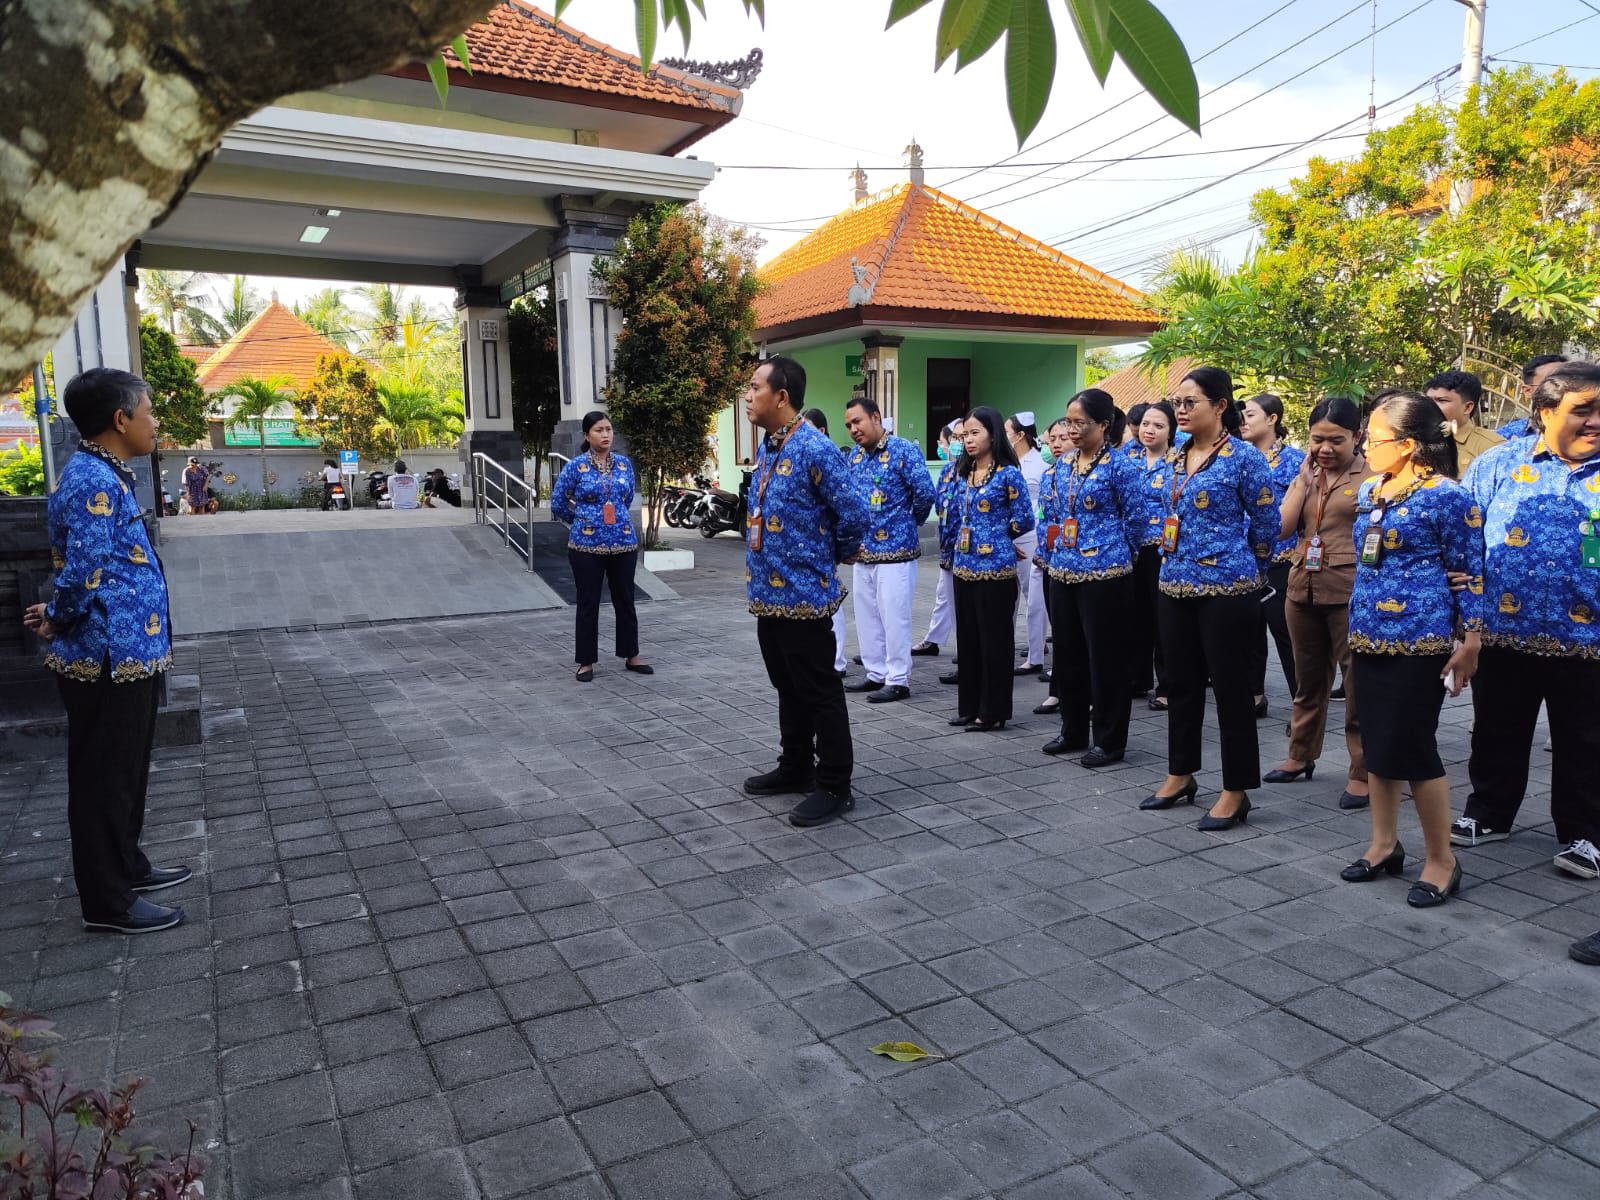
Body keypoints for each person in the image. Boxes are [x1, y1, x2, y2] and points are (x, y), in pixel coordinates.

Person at [23, 368, 190, 934]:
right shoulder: (93, 480)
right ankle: (108, 902)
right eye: (149, 412)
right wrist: (58, 613)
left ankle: (128, 867)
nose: (155, 422)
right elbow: (83, 570)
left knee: (128, 770)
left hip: (127, 652)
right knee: (105, 779)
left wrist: (59, 611)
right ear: (120, 420)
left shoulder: (104, 473)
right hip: (106, 657)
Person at [1455, 362, 1600, 883]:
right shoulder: (1499, 464)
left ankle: (1585, 834)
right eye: (1583, 410)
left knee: (1587, 741)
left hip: (1589, 642)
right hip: (1501, 634)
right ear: (1544, 412)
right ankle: (1489, 813)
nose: (1595, 421)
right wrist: (1465, 623)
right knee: (1496, 729)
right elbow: (1466, 543)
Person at [1341, 390, 1483, 906]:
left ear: (1406, 444)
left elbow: (1471, 573)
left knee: (1414, 748)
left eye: (1373, 438)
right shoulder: (1372, 489)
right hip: (1367, 634)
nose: (1365, 445)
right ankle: (1384, 844)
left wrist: (1471, 641)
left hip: (1420, 640)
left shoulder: (1448, 497)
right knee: (1378, 744)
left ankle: (1442, 860)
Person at [1143, 366, 1279, 830]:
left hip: (1228, 588)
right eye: (1177, 403)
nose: (1180, 410)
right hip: (1174, 583)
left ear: (1220, 406)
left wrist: (1253, 571)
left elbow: (1266, 524)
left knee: (1231, 690)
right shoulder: (1175, 457)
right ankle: (1180, 773)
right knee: (1179, 684)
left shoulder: (1244, 458)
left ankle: (1236, 790)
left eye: (1190, 402)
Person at [741, 357, 869, 827]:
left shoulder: (815, 447)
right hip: (767, 595)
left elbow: (855, 511)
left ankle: (834, 784)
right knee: (787, 686)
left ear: (781, 396)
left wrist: (836, 552)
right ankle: (795, 765)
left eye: (755, 387)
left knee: (819, 691)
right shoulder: (771, 445)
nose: (748, 395)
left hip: (805, 596)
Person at [1266, 396, 1370, 808]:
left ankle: (1361, 771)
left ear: (1357, 436)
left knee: (1357, 684)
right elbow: (1281, 528)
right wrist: (1301, 484)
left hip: (1349, 589)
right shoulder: (1306, 473)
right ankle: (1300, 754)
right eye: (1317, 440)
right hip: (1302, 586)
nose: (1325, 449)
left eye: (1336, 441)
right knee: (1307, 679)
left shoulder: (1372, 476)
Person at [1040, 390, 1146, 765]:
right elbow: (1053, 514)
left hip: (1106, 574)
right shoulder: (1063, 466)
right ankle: (1072, 731)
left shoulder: (1120, 467)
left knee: (1106, 659)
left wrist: (1119, 553)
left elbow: (1137, 519)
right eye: (1068, 422)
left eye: (1080, 422)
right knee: (1068, 654)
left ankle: (1109, 739)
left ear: (1103, 425)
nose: (1071, 429)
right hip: (1064, 570)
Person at [841, 396, 934, 703]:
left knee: (895, 618)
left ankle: (898, 679)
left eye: (857, 421)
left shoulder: (903, 450)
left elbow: (924, 493)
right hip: (863, 552)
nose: (853, 429)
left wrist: (907, 523)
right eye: (848, 425)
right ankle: (875, 672)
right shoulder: (855, 457)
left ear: (876, 417)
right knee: (867, 617)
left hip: (896, 552)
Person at [950, 406, 1036, 732]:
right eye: (965, 435)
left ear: (993, 434)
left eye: (975, 433)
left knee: (994, 643)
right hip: (964, 565)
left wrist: (1000, 537)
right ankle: (969, 706)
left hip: (996, 569)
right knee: (968, 641)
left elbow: (1025, 518)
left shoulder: (1007, 473)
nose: (968, 440)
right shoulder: (964, 471)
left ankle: (993, 711)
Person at [549, 411, 652, 683]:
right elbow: (558, 503)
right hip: (586, 546)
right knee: (588, 602)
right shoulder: (576, 467)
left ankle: (631, 655)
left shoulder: (624, 465)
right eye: (598, 430)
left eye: (608, 429)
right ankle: (586, 662)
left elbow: (626, 498)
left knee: (625, 600)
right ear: (587, 435)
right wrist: (582, 521)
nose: (605, 434)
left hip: (623, 543)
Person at [1239, 393, 1303, 716]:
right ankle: (1254, 695)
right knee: (1248, 634)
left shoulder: (1296, 461)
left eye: (1250, 414)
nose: (1243, 421)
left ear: (1272, 418)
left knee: (1285, 632)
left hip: (1282, 560)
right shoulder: (1237, 458)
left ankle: (1302, 702)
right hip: (1244, 559)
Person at [1131, 400, 1176, 710]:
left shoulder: (1179, 462)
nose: (1149, 430)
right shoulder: (1128, 460)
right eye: (1146, 424)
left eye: (1158, 425)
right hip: (1132, 549)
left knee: (1164, 619)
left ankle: (1168, 685)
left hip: (1163, 550)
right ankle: (1137, 678)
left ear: (1170, 431)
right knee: (1135, 616)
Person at [800, 408, 849, 677]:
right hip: (806, 548)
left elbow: (846, 508)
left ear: (821, 431)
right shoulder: (804, 456)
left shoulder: (829, 457)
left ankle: (837, 661)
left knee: (832, 604)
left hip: (824, 545)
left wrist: (841, 546)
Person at [1032, 418, 1072, 716]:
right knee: (1060, 630)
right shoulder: (1049, 475)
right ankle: (1058, 690)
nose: (1055, 445)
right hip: (1050, 559)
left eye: (1062, 438)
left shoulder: (1088, 473)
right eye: (1051, 440)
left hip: (1083, 563)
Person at [914, 420, 964, 657]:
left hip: (967, 548)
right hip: (948, 544)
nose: (956, 443)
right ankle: (934, 639)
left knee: (960, 601)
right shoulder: (947, 471)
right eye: (954, 438)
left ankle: (967, 651)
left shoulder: (977, 472)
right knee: (944, 595)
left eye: (960, 438)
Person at [1007, 412, 1049, 675]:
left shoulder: (1039, 464)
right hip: (1006, 534)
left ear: (1021, 435)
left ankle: (1036, 653)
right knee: (1007, 595)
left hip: (1030, 534)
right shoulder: (1006, 461)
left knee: (1032, 596)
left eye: (1007, 431)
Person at [1425, 369, 1502, 476]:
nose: (1430, 406)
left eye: (1442, 400)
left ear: (1467, 407)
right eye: (1428, 400)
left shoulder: (1492, 447)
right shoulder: (1415, 440)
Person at [1498, 354, 1569, 439]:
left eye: (1570, 381)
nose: (1563, 388)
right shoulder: (1505, 437)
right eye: (1552, 384)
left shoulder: (1583, 431)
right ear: (1528, 391)